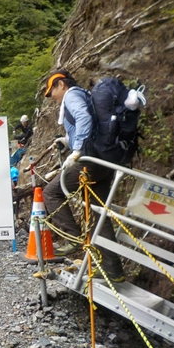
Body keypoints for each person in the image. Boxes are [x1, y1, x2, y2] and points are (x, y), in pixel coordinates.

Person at [42, 70, 125, 282]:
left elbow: (83, 118)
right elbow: (88, 127)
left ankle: (73, 239)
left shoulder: (71, 95)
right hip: (103, 161)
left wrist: (77, 150)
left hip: (89, 162)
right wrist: (67, 142)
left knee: (51, 193)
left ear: (61, 84)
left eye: (51, 90)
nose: (51, 96)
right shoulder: (84, 95)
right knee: (99, 214)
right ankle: (113, 272)